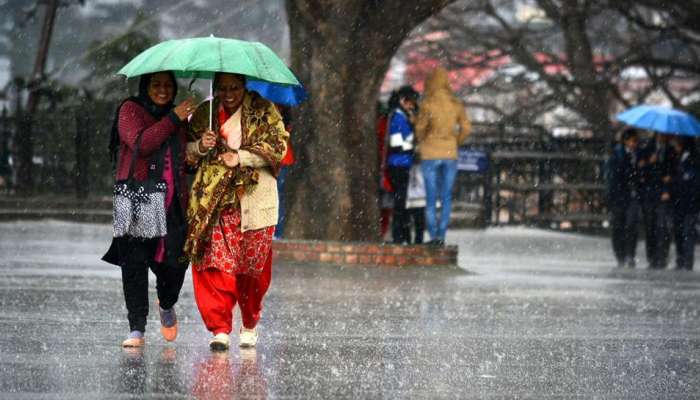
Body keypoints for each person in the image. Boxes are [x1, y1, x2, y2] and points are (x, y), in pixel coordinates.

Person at [184, 72, 288, 351]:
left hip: (255, 199)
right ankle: (219, 328)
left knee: (252, 269)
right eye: (223, 88)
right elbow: (186, 153)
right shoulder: (205, 113)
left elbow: (278, 147)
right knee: (214, 262)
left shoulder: (264, 111)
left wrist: (241, 156)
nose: (229, 94)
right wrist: (199, 146)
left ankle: (250, 322)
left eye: (235, 87)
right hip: (214, 201)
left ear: (244, 86)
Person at [102, 71, 195, 347]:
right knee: (135, 264)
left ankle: (166, 303)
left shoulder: (178, 118)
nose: (163, 90)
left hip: (173, 202)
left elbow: (187, 162)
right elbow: (142, 143)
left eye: (168, 85)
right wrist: (174, 119)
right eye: (157, 85)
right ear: (146, 86)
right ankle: (137, 328)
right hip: (136, 195)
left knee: (175, 262)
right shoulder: (130, 109)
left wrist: (200, 146)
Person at [415, 67, 471, 246]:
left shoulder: (427, 104)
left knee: (431, 197)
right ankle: (442, 235)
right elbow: (467, 128)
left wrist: (423, 140)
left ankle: (433, 236)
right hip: (450, 153)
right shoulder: (456, 104)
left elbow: (420, 128)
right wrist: (455, 141)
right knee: (446, 197)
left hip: (430, 153)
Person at [386, 85, 419, 245]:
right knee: (400, 203)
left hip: (401, 163)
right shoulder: (398, 118)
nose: (412, 106)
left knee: (402, 202)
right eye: (410, 103)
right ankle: (399, 235)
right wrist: (412, 145)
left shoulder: (401, 117)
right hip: (399, 163)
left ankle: (402, 234)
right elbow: (397, 144)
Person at [638, 133, 674, 269]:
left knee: (662, 226)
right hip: (649, 193)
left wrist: (668, 184)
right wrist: (649, 163)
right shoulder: (648, 149)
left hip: (664, 193)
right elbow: (640, 171)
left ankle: (662, 256)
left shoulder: (670, 151)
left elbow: (672, 170)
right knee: (650, 226)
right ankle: (651, 256)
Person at [607, 128, 641, 268]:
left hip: (633, 195)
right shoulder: (617, 154)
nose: (635, 144)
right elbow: (615, 176)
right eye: (633, 141)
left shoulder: (638, 155)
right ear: (626, 141)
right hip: (619, 195)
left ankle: (630, 254)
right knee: (618, 226)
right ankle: (620, 254)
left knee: (631, 225)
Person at [669, 136, 700, 271]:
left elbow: (694, 181)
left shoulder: (693, 158)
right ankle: (681, 259)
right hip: (678, 201)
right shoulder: (677, 157)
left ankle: (687, 261)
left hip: (689, 202)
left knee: (688, 232)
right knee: (679, 232)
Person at [274, 105, 294, 240]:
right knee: (278, 197)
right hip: (281, 160)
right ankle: (276, 232)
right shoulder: (285, 117)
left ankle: (276, 232)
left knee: (277, 197)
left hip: (279, 161)